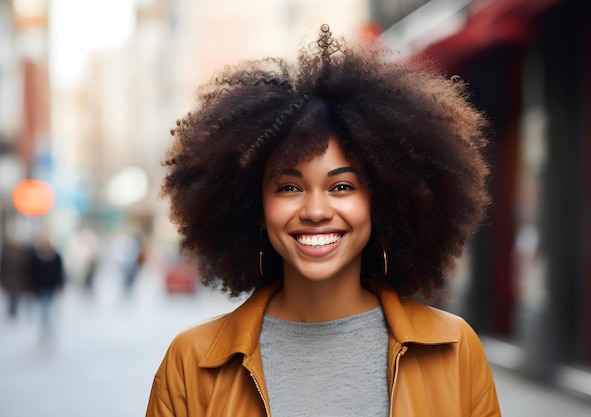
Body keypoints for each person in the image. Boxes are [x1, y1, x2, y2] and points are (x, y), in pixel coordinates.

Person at [146, 24, 500, 417]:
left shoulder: (455, 349)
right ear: (255, 208)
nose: (315, 211)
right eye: (289, 188)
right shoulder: (191, 362)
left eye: (342, 187)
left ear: (380, 201)